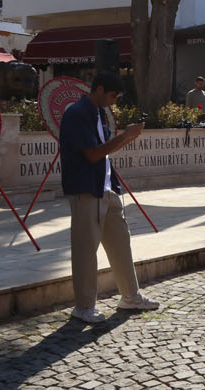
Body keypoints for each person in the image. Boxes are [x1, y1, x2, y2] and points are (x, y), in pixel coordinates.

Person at [56, 71, 157, 324]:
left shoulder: (100, 113)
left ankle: (130, 296)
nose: (114, 101)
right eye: (113, 96)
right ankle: (84, 307)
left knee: (121, 243)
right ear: (99, 89)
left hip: (106, 188)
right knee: (86, 251)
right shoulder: (77, 113)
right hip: (85, 189)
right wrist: (126, 136)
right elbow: (91, 154)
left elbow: (102, 152)